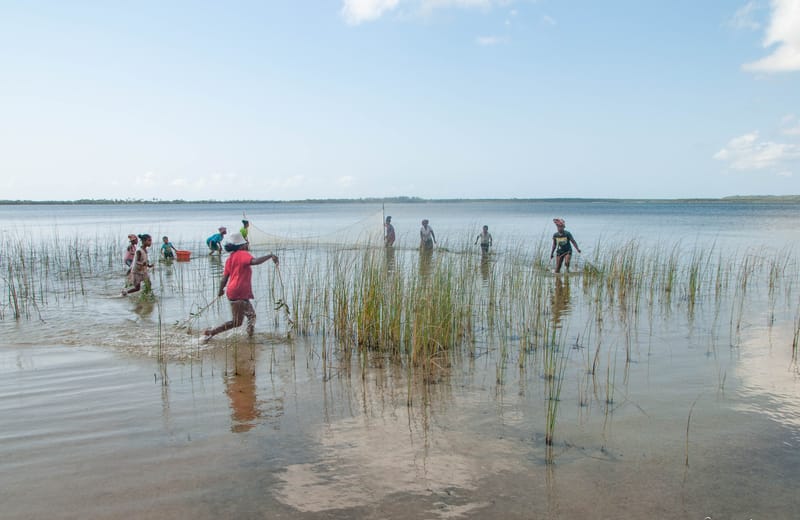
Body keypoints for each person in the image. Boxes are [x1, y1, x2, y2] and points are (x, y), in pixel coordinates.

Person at [203, 233, 279, 342]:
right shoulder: (243, 254)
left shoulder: (230, 259)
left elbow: (224, 278)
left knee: (251, 316)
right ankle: (211, 333)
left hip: (235, 292)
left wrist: (220, 290)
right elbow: (255, 261)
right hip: (238, 292)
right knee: (237, 322)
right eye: (246, 244)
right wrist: (270, 256)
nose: (247, 245)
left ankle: (250, 338)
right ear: (241, 246)